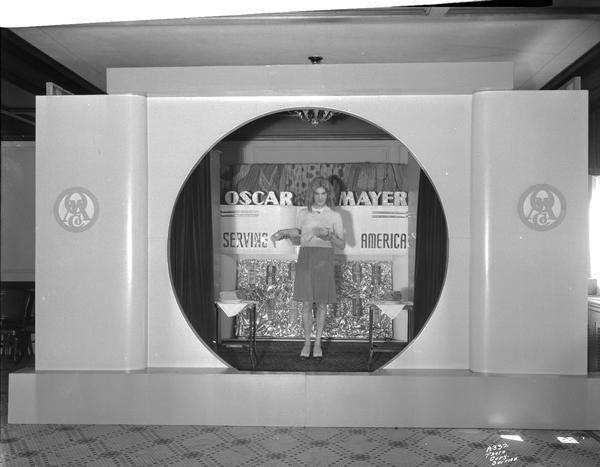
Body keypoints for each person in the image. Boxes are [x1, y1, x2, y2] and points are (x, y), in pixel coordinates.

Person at [271, 177, 345, 361]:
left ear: (328, 194)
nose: (320, 197)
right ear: (312, 194)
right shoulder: (303, 213)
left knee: (321, 303)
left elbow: (342, 244)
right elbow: (299, 239)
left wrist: (329, 236)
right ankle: (306, 342)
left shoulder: (335, 215)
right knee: (305, 303)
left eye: (324, 193)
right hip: (305, 257)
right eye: (317, 193)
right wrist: (285, 235)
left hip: (324, 258)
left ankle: (318, 342)